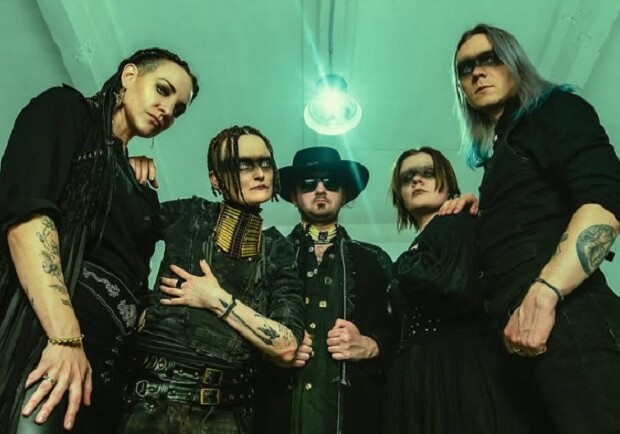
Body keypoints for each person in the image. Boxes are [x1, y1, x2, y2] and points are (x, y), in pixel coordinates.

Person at [0, 48, 199, 433]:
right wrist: (64, 339)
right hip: (50, 345)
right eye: (162, 89)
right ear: (129, 76)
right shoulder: (64, 110)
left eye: (178, 109)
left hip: (109, 370)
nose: (167, 110)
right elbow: (27, 219)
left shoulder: (138, 184)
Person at [451, 23, 620, 433]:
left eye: (489, 58)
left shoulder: (556, 108)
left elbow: (604, 203)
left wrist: (545, 295)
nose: (477, 72)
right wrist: (483, 213)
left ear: (514, 62)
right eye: (465, 68)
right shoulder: (501, 151)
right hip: (516, 341)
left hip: (568, 321)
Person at [118, 125, 305, 434]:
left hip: (227, 413)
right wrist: (125, 171)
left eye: (265, 163)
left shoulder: (278, 249)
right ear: (215, 179)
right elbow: (114, 235)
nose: (260, 173)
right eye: (243, 165)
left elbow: (286, 345)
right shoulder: (188, 215)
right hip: (151, 404)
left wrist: (214, 297)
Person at [384, 146, 525, 434]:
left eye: (427, 173)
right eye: (407, 177)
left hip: (455, 368)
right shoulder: (428, 238)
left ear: (448, 182)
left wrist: (406, 265)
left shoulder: (459, 224)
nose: (416, 180)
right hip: (418, 373)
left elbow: (452, 286)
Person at [255, 146, 394, 434]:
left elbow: (403, 333)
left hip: (354, 415)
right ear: (293, 195)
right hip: (277, 411)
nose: (320, 189)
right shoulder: (265, 255)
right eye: (308, 183)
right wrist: (270, 348)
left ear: (345, 193)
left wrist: (372, 346)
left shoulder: (375, 261)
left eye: (330, 182)